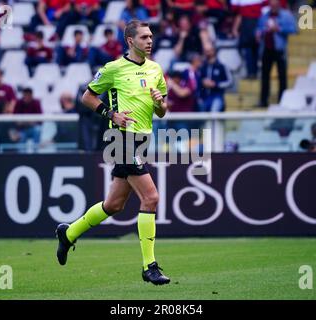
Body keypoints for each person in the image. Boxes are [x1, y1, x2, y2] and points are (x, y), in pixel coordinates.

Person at [55, 20, 171, 285]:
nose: (150, 41)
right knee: (151, 198)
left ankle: (69, 233)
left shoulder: (155, 69)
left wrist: (159, 103)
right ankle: (149, 266)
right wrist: (110, 114)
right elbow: (87, 97)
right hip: (120, 139)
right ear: (130, 41)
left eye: (151, 36)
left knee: (114, 205)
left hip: (143, 139)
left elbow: (162, 111)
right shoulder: (113, 69)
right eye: (144, 37)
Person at [256, 0, 297, 107]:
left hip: (279, 49)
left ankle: (282, 100)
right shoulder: (265, 16)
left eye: (275, 5)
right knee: (265, 76)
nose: (273, 7)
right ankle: (263, 100)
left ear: (279, 5)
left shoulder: (286, 15)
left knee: (282, 76)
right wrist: (259, 33)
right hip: (267, 48)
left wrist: (279, 29)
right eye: (271, 5)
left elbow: (293, 29)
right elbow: (259, 28)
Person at [199, 47, 233, 112]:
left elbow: (230, 82)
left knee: (214, 113)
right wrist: (202, 82)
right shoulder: (202, 66)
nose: (207, 52)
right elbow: (198, 80)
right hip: (204, 97)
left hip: (217, 96)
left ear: (214, 51)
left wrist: (216, 84)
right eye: (206, 51)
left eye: (209, 50)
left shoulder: (221, 66)